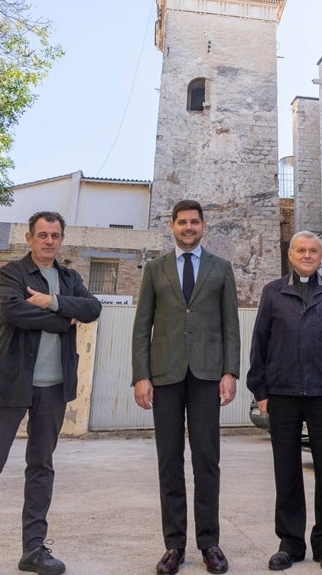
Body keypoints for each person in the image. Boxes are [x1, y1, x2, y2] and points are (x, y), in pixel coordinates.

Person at [0, 211, 103, 575]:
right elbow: (11, 312)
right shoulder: (13, 273)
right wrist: (64, 318)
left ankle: (34, 551)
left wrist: (51, 302)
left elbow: (93, 308)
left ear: (62, 240)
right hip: (11, 384)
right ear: (29, 239)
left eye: (55, 235)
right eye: (43, 235)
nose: (49, 241)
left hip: (53, 388)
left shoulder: (69, 277)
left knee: (41, 468)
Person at [131, 200, 240, 575]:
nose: (188, 228)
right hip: (164, 376)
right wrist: (140, 375)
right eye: (182, 222)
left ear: (203, 226)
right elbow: (141, 325)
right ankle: (173, 545)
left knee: (207, 460)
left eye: (194, 222)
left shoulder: (222, 269)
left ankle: (209, 542)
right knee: (169, 460)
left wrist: (231, 371)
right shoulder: (155, 269)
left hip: (208, 375)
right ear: (172, 226)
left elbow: (231, 325)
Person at [247, 231, 322, 573]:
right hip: (283, 394)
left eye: (313, 250)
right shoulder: (273, 292)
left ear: (321, 256)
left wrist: (321, 361)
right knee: (287, 470)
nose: (307, 255)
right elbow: (260, 343)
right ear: (290, 255)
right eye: (301, 250)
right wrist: (260, 390)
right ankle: (290, 544)